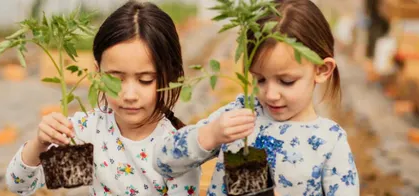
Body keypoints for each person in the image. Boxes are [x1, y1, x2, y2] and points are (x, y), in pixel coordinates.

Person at [153, 0, 359, 195]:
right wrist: (210, 135)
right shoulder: (241, 113)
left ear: (322, 70)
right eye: (260, 79)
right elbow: (163, 161)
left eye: (286, 81)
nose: (270, 94)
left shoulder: (329, 141)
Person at [6, 1, 201, 195]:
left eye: (145, 80)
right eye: (115, 79)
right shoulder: (92, 132)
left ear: (170, 76)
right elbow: (21, 185)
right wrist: (40, 143)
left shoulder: (175, 148)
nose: (129, 95)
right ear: (97, 72)